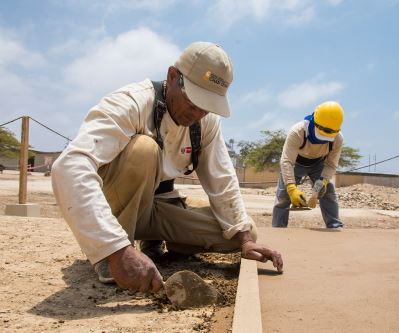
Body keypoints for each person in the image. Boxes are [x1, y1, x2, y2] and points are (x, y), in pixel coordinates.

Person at [52, 42, 283, 293]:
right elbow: (70, 166)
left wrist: (245, 241)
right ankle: (116, 253)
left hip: (159, 209)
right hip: (119, 209)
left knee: (244, 230)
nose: (197, 114)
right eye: (193, 101)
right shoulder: (131, 102)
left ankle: (156, 242)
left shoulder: (206, 122)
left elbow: (222, 179)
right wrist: (114, 248)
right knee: (144, 150)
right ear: (173, 77)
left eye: (207, 107)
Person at [272, 101, 344, 229]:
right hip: (296, 163)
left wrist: (321, 183)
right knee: (283, 196)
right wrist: (291, 188)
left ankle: (335, 225)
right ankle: (278, 228)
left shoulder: (338, 139)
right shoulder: (298, 131)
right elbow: (286, 161)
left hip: (318, 164)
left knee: (328, 192)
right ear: (315, 122)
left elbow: (331, 165)